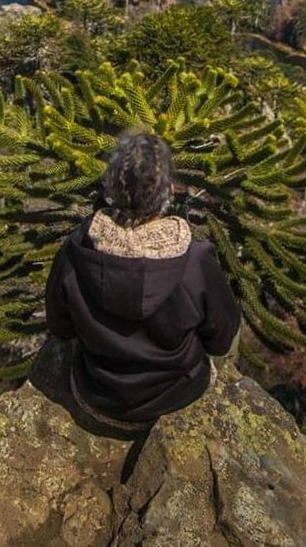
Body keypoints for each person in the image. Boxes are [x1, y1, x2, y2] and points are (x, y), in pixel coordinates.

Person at [44, 130, 241, 430]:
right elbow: (221, 339)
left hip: (98, 394)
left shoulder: (77, 251)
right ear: (169, 191)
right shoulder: (195, 262)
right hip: (176, 395)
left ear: (110, 190)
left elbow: (60, 326)